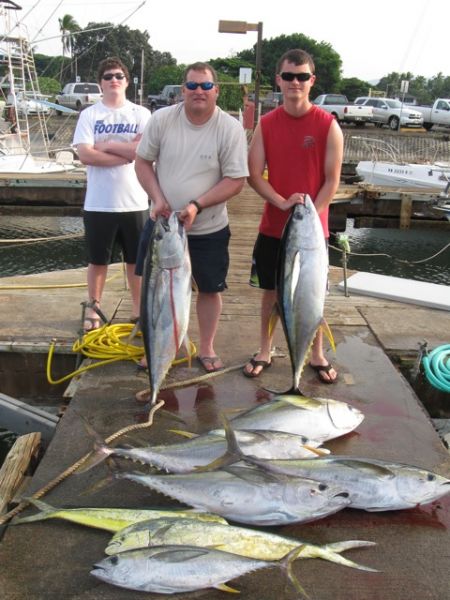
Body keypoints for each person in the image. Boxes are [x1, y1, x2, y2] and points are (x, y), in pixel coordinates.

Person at [135, 61, 248, 373]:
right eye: (193, 85)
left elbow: (236, 180)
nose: (200, 91)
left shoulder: (229, 129)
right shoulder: (162, 120)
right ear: (183, 90)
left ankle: (207, 346)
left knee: (209, 289)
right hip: (163, 226)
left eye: (206, 85)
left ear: (216, 91)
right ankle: (159, 345)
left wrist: (197, 204)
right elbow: (143, 162)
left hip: (208, 226)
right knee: (153, 290)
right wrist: (157, 198)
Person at [243, 48, 344, 384]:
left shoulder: (328, 125)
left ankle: (316, 353)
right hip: (274, 228)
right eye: (288, 76)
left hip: (313, 232)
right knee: (269, 292)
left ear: (312, 81)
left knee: (313, 294)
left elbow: (332, 180)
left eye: (302, 77)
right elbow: (254, 174)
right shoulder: (267, 125)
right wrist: (282, 202)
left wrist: (309, 215)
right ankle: (264, 349)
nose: (295, 83)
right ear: (279, 80)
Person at [73, 57, 151, 332]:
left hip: (136, 202)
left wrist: (105, 146)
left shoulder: (141, 114)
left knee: (136, 262)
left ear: (127, 81)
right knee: (98, 261)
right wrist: (123, 151)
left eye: (119, 75)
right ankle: (93, 308)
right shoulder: (89, 115)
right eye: (108, 76)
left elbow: (140, 152)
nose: (114, 80)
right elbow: (85, 154)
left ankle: (139, 310)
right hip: (98, 204)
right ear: (100, 83)